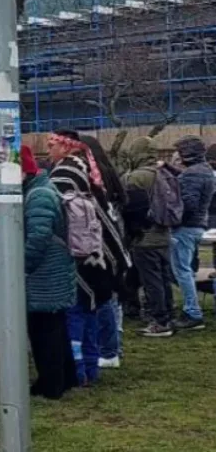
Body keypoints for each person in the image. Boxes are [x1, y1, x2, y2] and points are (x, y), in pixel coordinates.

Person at [48, 130, 126, 386]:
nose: (48, 150)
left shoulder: (65, 173)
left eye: (52, 145)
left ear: (66, 146)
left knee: (75, 311)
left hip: (79, 252)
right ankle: (92, 365)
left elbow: (58, 216)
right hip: (97, 252)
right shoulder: (87, 167)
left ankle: (78, 368)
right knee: (91, 308)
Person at [20, 146, 78, 400]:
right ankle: (64, 378)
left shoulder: (38, 195)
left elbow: (38, 237)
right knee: (54, 327)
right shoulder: (41, 189)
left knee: (44, 330)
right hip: (53, 270)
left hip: (46, 272)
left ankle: (51, 384)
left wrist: (21, 266)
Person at [80, 135, 129, 367]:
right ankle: (113, 345)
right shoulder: (109, 173)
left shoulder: (93, 178)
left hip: (100, 242)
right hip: (114, 239)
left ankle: (109, 349)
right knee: (111, 296)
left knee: (103, 297)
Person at [121, 137, 176, 338]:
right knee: (163, 279)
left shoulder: (136, 177)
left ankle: (159, 321)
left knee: (151, 281)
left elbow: (128, 209)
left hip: (144, 237)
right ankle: (168, 315)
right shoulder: (164, 173)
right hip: (164, 234)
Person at [169, 136, 214, 331]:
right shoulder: (206, 172)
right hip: (199, 225)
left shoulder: (190, 175)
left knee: (182, 271)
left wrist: (172, 219)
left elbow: (188, 203)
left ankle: (192, 312)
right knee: (187, 269)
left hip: (185, 227)